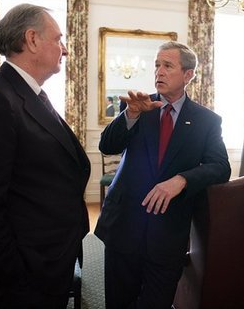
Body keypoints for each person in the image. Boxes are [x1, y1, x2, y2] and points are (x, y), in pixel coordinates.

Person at [0, 3, 91, 309]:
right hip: (26, 273)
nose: (64, 50)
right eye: (57, 39)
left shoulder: (29, 94)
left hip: (51, 256)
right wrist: (12, 283)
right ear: (31, 40)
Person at [94, 41, 231, 308]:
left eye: (167, 65)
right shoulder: (140, 107)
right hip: (125, 227)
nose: (159, 71)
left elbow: (220, 167)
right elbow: (107, 146)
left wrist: (182, 180)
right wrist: (130, 114)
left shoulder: (207, 121)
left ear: (188, 75)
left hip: (169, 234)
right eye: (157, 65)